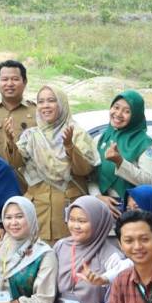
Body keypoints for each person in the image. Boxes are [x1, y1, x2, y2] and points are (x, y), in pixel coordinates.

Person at [8, 84, 96, 242]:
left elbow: (84, 170)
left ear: (62, 104)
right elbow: (15, 163)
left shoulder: (77, 134)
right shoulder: (31, 136)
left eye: (51, 100)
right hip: (38, 212)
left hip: (68, 213)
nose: (45, 106)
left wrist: (69, 147)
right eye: (41, 102)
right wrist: (10, 143)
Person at [0, 60, 39, 185]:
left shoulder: (37, 112)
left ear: (25, 82)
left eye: (15, 79)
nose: (9, 84)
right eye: (4, 79)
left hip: (28, 183)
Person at [92, 91, 152, 206]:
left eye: (127, 111)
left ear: (136, 115)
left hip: (130, 206)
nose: (118, 114)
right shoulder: (101, 139)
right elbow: (90, 176)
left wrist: (120, 162)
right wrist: (97, 196)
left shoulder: (146, 145)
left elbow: (149, 183)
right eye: (116, 107)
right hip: (100, 203)